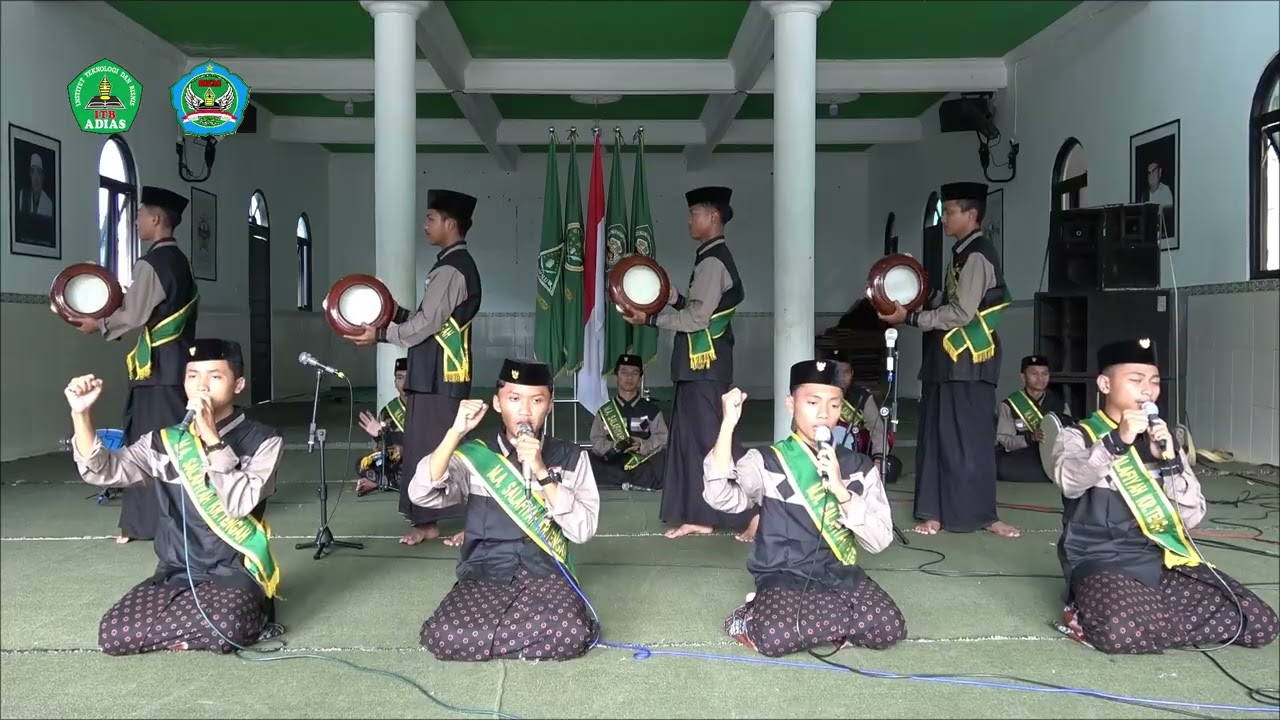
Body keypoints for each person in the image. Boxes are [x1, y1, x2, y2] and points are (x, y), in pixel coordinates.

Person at [1051, 339, 1278, 654]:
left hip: (1162, 560)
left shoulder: (1162, 440)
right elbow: (1069, 482)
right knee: (1120, 632)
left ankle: (1153, 619)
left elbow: (1192, 516)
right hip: (1102, 561)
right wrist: (1117, 442)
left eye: (1154, 382)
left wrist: (1170, 463)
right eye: (1136, 380)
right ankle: (1103, 613)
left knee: (1260, 622)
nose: (1147, 391)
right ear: (1105, 384)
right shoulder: (1078, 435)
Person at [66, 339, 285, 655]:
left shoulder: (264, 440)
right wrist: (81, 415)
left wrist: (211, 437)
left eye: (215, 376)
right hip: (175, 573)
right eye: (193, 376)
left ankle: (243, 616)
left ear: (238, 384)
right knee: (113, 634)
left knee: (227, 628)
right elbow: (103, 471)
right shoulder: (165, 440)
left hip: (234, 572)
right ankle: (191, 631)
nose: (201, 386)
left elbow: (238, 504)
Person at [706, 361, 906, 657]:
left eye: (834, 405)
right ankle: (749, 617)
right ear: (791, 404)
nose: (824, 414)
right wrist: (727, 424)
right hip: (784, 574)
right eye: (812, 403)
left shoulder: (859, 467)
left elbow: (878, 541)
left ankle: (814, 622)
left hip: (839, 574)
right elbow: (720, 495)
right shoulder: (768, 461)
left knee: (890, 627)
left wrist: (842, 492)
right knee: (776, 637)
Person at [409, 359, 600, 662]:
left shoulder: (571, 457)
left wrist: (541, 472)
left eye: (537, 400)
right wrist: (454, 433)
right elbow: (421, 493)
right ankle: (517, 640)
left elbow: (583, 530)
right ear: (497, 403)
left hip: (547, 573)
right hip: (485, 572)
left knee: (574, 633)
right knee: (441, 635)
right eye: (514, 399)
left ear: (549, 405)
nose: (525, 411)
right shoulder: (475, 454)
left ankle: (485, 642)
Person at [878, 181, 1020, 539]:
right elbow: (943, 298)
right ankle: (935, 512)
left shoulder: (977, 255)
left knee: (968, 441)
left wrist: (910, 318)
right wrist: (914, 287)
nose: (944, 219)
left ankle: (980, 515)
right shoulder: (961, 251)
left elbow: (959, 313)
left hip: (969, 362)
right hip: (948, 362)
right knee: (938, 437)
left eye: (950, 211)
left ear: (971, 214)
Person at [64, 185, 199, 545]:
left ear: (156, 219)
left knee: (149, 444)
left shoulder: (152, 262)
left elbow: (137, 312)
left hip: (158, 371)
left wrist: (101, 324)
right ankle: (177, 517)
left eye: (140, 214)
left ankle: (149, 523)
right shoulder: (179, 260)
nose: (136, 220)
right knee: (175, 442)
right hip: (177, 366)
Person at [621, 186, 755, 541]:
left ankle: (757, 510)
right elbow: (696, 307)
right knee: (694, 441)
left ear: (713, 217)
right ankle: (701, 514)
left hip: (704, 370)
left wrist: (650, 320)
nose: (689, 220)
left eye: (695, 213)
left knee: (713, 440)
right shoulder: (709, 257)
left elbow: (697, 320)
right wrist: (669, 295)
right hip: (699, 368)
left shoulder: (713, 260)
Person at [352, 189, 481, 546]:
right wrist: (394, 313)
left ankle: (463, 520)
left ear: (449, 223)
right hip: (435, 372)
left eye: (430, 218)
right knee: (427, 444)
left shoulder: (452, 268)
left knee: (440, 447)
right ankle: (429, 521)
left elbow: (428, 325)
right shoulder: (449, 264)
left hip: (441, 375)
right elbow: (431, 320)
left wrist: (381, 333)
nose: (425, 225)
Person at [818, 348, 901, 485]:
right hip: (820, 449)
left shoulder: (861, 397)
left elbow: (878, 430)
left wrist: (879, 458)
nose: (841, 378)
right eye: (836, 373)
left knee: (891, 466)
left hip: (853, 453)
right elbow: (798, 427)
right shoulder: (816, 394)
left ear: (852, 373)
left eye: (846, 373)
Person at [588, 354, 668, 491]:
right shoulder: (604, 412)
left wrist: (642, 445)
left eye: (634, 373)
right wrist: (615, 447)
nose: (629, 377)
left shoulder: (652, 411)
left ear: (640, 378)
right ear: (617, 376)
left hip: (643, 470)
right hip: (611, 471)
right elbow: (596, 442)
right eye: (624, 372)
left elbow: (663, 439)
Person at [996, 354, 1071, 484]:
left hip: (1051, 459)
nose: (1040, 378)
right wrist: (1030, 438)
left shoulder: (1059, 404)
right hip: (1022, 458)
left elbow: (1070, 436)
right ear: (1023, 377)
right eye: (1034, 374)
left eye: (1044, 374)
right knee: (1000, 465)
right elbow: (1005, 441)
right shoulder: (1010, 405)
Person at [353, 358, 409, 497]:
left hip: (422, 460)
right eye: (400, 378)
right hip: (398, 464)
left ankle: (380, 481)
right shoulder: (388, 411)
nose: (404, 384)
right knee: (363, 464)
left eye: (409, 378)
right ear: (395, 382)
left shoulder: (427, 406)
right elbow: (382, 450)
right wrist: (379, 436)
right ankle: (385, 480)